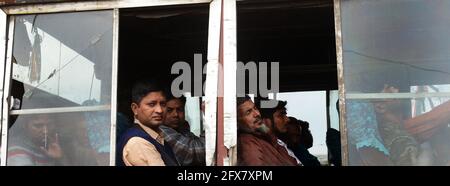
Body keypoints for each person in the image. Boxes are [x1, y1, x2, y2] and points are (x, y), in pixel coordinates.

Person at [116, 79, 179, 166]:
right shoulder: (138, 142)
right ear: (135, 108)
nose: (159, 110)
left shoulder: (156, 137)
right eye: (152, 104)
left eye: (163, 104)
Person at [236, 95, 297, 166]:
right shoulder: (248, 141)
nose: (257, 114)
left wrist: (267, 131)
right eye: (248, 112)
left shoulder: (270, 139)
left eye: (255, 108)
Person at [160, 94, 206, 166]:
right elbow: (198, 151)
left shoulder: (182, 129)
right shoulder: (161, 131)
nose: (175, 114)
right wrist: (211, 120)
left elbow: (198, 144)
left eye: (179, 109)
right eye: (169, 110)